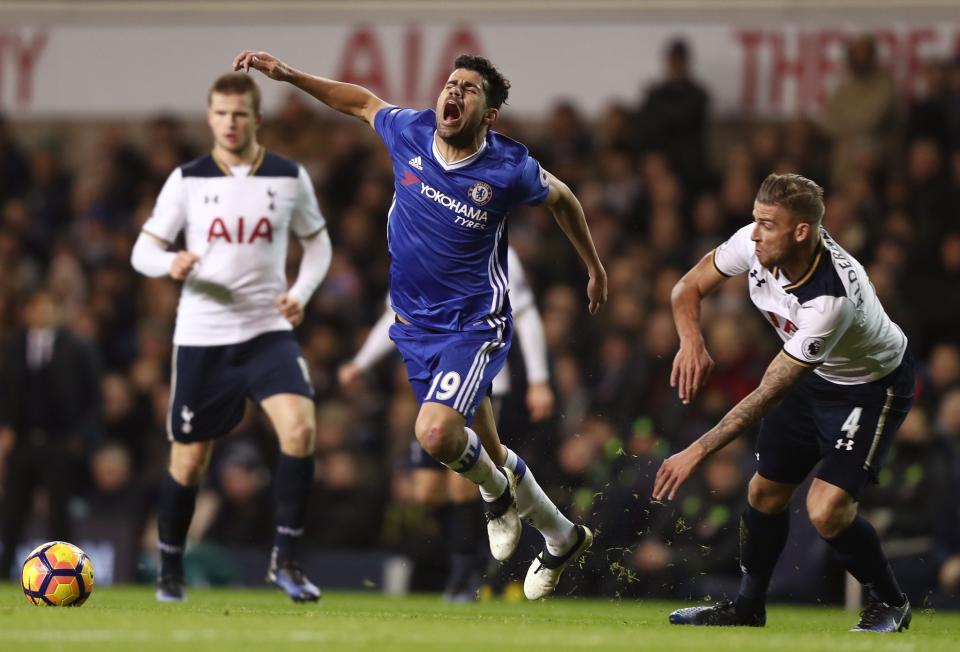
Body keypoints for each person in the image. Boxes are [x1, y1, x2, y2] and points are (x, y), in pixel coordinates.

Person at [233, 49, 607, 600]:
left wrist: (593, 266)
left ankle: (497, 499)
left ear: (489, 115)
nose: (453, 93)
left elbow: (565, 201)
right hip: (412, 327)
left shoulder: (508, 167)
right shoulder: (409, 131)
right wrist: (288, 75)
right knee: (489, 451)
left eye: (470, 89)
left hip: (473, 325)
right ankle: (561, 535)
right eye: (450, 84)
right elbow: (359, 101)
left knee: (435, 434)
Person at [655, 173, 915, 632]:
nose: (755, 233)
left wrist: (697, 450)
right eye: (755, 220)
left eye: (768, 224)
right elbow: (685, 289)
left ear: (801, 232)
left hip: (868, 387)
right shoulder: (751, 242)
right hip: (810, 379)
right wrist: (691, 340)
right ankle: (747, 608)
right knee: (763, 493)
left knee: (826, 510)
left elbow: (769, 390)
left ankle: (890, 602)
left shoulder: (831, 299)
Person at [130, 72, 332, 603]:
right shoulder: (188, 180)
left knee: (301, 430)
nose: (230, 122)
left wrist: (302, 293)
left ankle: (286, 563)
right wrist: (170, 260)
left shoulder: (289, 177)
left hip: (266, 331)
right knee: (190, 462)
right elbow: (141, 250)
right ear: (210, 117)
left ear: (257, 118)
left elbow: (318, 245)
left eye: (240, 113)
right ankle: (169, 568)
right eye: (221, 112)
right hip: (203, 336)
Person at [338, 246, 554, 600]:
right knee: (427, 489)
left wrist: (539, 379)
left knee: (462, 482)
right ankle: (471, 560)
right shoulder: (418, 240)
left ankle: (467, 574)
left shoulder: (496, 249)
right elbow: (397, 313)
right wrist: (361, 362)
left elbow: (526, 314)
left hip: (483, 377)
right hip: (436, 380)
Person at [0, 289, 103, 578]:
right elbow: (7, 392)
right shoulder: (15, 345)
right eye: (37, 306)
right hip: (22, 441)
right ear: (27, 311)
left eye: (49, 307)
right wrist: (6, 429)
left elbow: (91, 394)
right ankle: (5, 569)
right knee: (12, 512)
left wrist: (81, 436)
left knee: (60, 513)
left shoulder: (77, 347)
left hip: (59, 441)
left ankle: (69, 571)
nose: (43, 313)